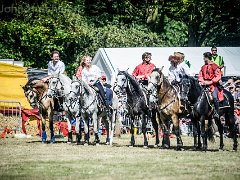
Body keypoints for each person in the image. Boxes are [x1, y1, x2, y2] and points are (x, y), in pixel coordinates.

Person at [198, 52, 221, 119]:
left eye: (204, 57)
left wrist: (210, 82)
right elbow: (200, 75)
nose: (203, 59)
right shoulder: (203, 67)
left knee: (214, 97)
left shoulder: (215, 66)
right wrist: (203, 81)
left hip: (213, 85)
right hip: (204, 85)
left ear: (207, 58)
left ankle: (217, 112)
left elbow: (218, 76)